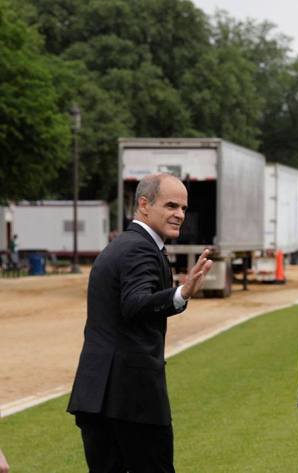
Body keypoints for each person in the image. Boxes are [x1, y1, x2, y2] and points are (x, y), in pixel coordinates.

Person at [66, 173, 213, 473]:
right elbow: (134, 303)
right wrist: (181, 292)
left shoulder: (122, 246)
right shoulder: (139, 248)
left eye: (184, 208)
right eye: (171, 205)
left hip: (98, 396)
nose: (180, 215)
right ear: (144, 205)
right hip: (131, 400)